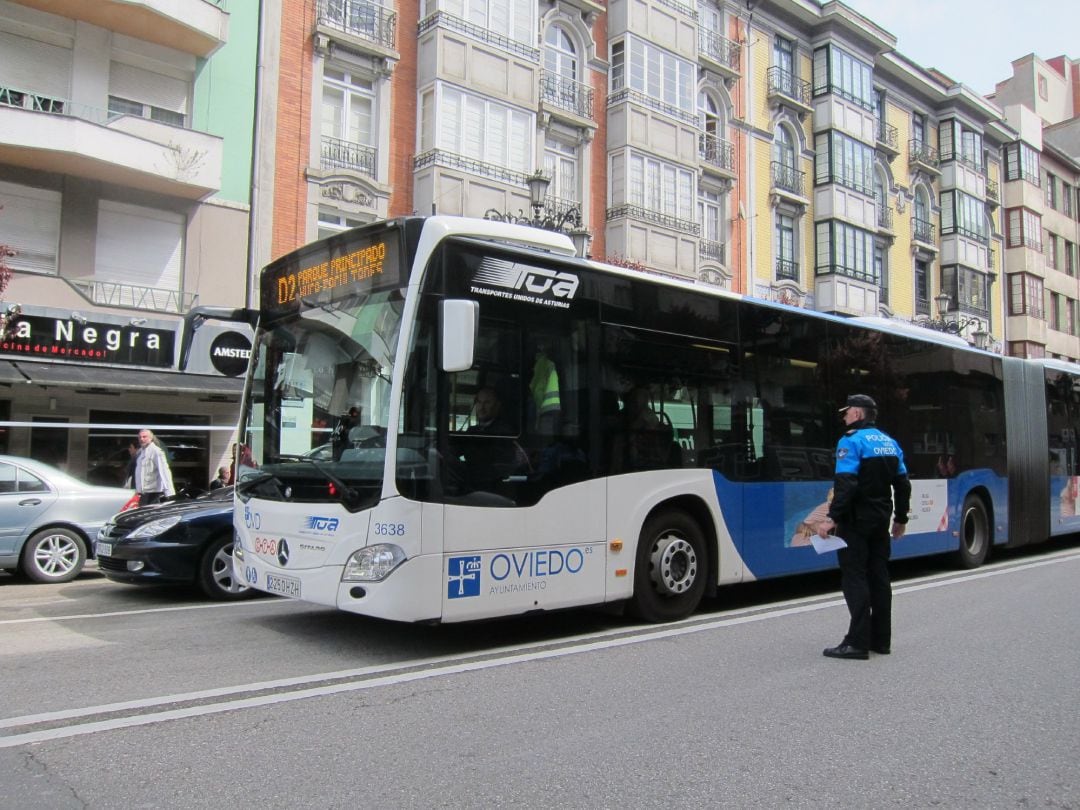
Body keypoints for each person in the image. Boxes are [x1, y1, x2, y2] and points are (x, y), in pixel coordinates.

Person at [816, 394, 911, 660]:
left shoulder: (851, 441)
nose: (844, 416)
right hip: (880, 521)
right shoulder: (890, 443)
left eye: (846, 412)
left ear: (857, 414)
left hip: (855, 522)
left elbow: (846, 484)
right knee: (879, 577)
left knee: (854, 576)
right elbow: (903, 484)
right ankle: (881, 640)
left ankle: (856, 642)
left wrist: (831, 518)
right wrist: (900, 519)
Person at [134, 428, 175, 505]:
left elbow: (164, 471)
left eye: (144, 437)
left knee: (150, 514)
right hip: (142, 492)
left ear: (151, 438)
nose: (141, 439)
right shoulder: (140, 452)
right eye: (140, 437)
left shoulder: (156, 451)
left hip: (153, 493)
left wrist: (169, 492)